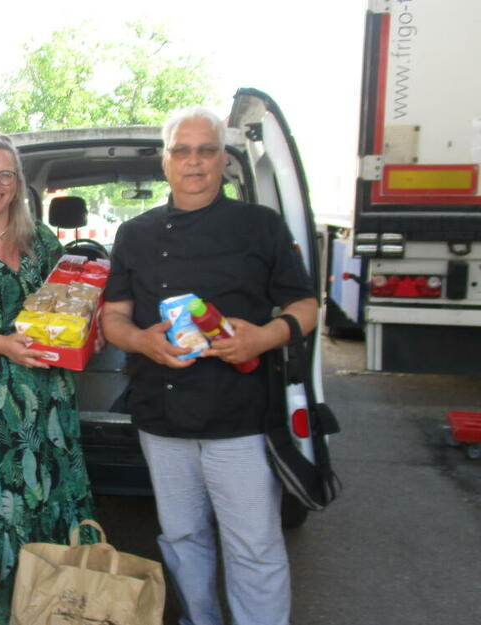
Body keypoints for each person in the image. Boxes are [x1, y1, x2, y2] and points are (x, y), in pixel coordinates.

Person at [101, 107, 318, 625]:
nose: (193, 162)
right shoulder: (135, 233)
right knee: (181, 536)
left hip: (239, 416)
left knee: (253, 545)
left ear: (223, 159)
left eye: (205, 150)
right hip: (162, 413)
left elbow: (306, 307)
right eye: (181, 150)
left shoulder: (260, 226)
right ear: (165, 161)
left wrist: (262, 338)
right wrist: (142, 342)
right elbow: (113, 318)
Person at [0, 137, 97, 625]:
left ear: (18, 184)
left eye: (5, 175)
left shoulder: (43, 240)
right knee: (3, 511)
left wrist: (87, 326)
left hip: (49, 397)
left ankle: (60, 605)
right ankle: (8, 612)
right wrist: (5, 344)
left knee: (55, 497)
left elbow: (68, 306)